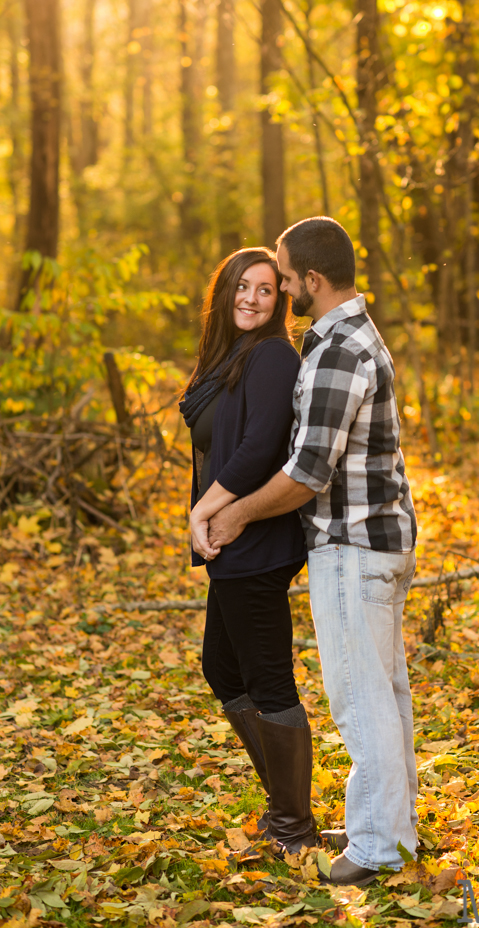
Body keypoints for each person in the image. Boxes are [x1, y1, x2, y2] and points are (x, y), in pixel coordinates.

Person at [192, 218, 418, 887]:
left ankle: (377, 849)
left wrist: (227, 514)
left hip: (353, 544)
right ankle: (390, 831)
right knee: (387, 698)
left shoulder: (336, 351)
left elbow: (304, 474)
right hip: (373, 540)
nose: (281, 286)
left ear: (310, 281)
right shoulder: (348, 337)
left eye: (285, 276)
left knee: (361, 703)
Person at [181, 247, 316, 855]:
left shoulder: (271, 356)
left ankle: (295, 829)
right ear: (225, 291)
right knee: (223, 668)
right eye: (242, 286)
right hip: (232, 544)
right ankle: (285, 808)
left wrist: (207, 510)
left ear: (279, 299)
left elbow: (261, 445)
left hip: (254, 540)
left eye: (266, 290)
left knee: (268, 681)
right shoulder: (230, 355)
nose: (252, 299)